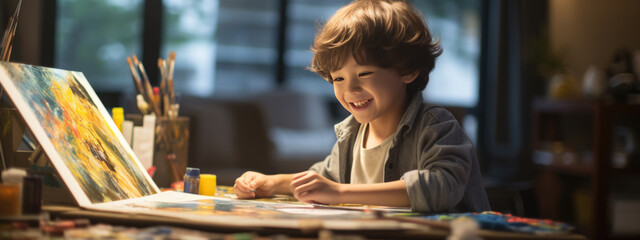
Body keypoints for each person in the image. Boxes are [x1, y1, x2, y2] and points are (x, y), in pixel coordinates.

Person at [234, 0, 490, 213]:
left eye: (365, 73)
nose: (350, 90)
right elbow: (324, 178)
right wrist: (270, 182)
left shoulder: (436, 126)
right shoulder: (351, 133)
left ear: (408, 70)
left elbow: (440, 187)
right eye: (338, 78)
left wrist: (339, 192)